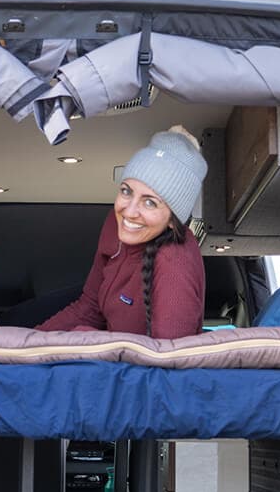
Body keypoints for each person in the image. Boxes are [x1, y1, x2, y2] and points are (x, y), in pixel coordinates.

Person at [35, 126, 207, 339]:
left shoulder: (175, 259)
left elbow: (168, 361)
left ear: (173, 220)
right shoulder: (114, 226)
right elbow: (89, 309)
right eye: (126, 191)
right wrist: (26, 345)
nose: (130, 211)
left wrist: (89, 341)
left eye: (150, 203)